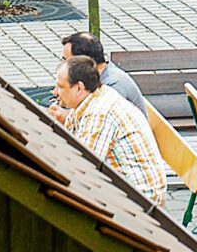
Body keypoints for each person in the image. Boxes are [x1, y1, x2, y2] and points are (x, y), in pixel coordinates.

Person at [51, 56, 168, 199]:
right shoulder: (95, 95)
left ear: (79, 88)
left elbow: (84, 169)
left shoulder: (99, 113)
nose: (54, 92)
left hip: (141, 202)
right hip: (128, 191)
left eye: (60, 87)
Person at [60, 32, 147, 114]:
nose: (63, 65)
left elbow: (99, 116)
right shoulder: (95, 77)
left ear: (83, 62)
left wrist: (64, 116)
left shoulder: (113, 86)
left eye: (66, 61)